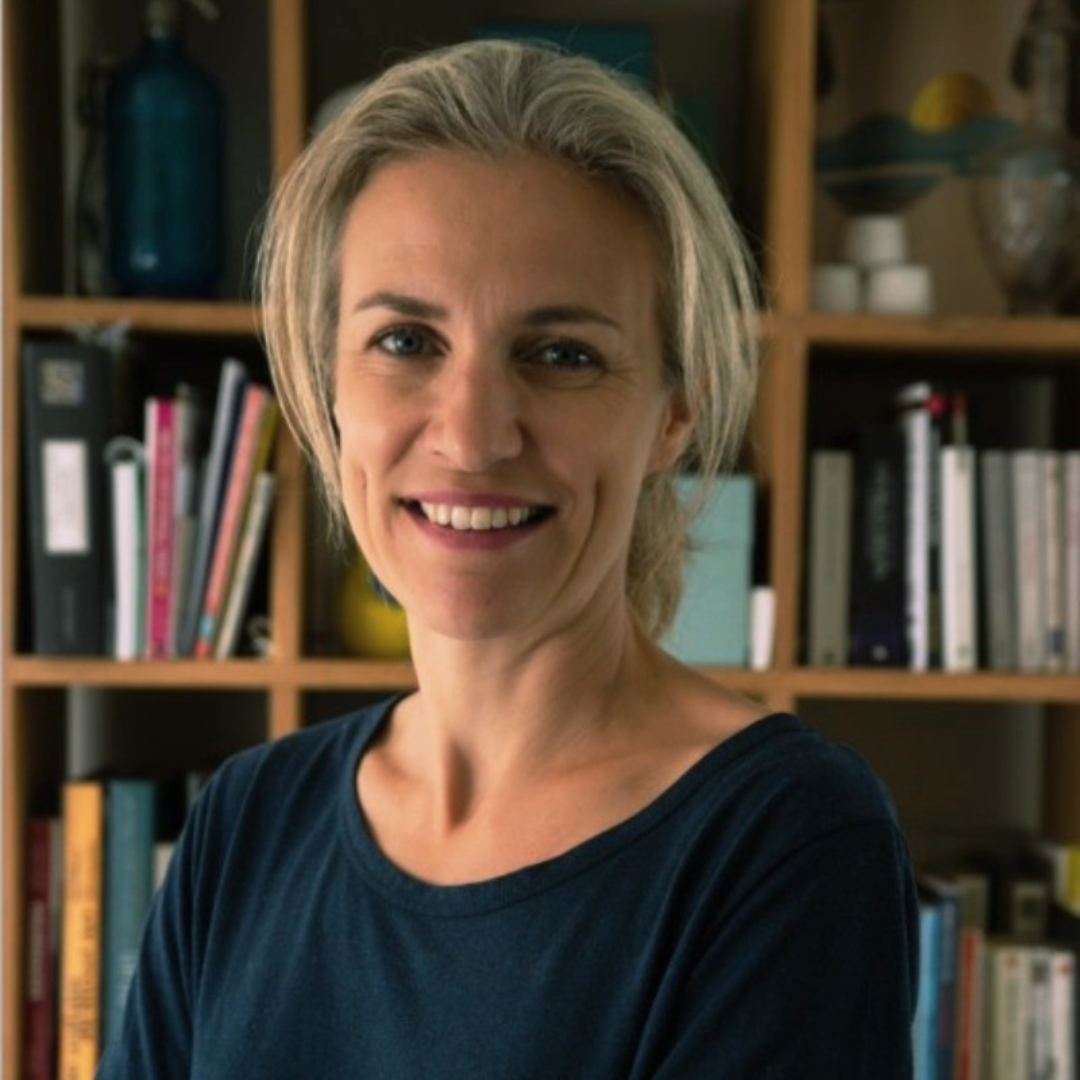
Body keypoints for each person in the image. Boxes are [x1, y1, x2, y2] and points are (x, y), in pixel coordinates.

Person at [97, 40, 917, 1078]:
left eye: (562, 354)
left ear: (674, 411)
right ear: (328, 383)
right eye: (406, 342)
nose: (474, 437)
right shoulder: (245, 823)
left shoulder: (784, 840)